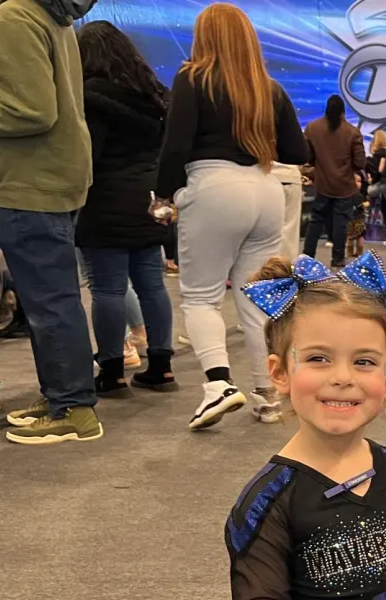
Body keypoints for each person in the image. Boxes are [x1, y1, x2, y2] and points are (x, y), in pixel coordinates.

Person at [225, 251, 386, 599]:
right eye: (318, 359)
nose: (342, 377)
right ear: (280, 372)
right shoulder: (268, 504)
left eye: (363, 361)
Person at [152, 2, 307, 430]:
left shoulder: (193, 76)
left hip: (214, 185)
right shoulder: (269, 87)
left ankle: (217, 384)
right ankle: (267, 394)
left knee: (201, 296)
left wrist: (163, 195)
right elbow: (298, 152)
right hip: (266, 188)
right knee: (255, 301)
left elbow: (176, 145)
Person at [0, 0, 103, 445]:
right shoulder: (49, 16)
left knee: (49, 300)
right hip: (51, 174)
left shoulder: (13, 16)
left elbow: (29, 110)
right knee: (51, 296)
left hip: (26, 179)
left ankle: (73, 409)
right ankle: (62, 396)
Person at [73, 19, 177, 399]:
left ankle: (112, 371)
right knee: (152, 286)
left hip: (103, 204)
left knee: (107, 290)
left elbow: (89, 157)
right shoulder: (154, 96)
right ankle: (162, 367)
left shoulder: (88, 98)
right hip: (147, 204)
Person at [302, 95, 365, 267]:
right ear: (343, 111)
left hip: (322, 184)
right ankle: (337, 258)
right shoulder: (353, 132)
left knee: (315, 221)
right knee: (341, 222)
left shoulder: (312, 128)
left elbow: (308, 157)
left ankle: (307, 257)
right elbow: (360, 163)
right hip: (344, 185)